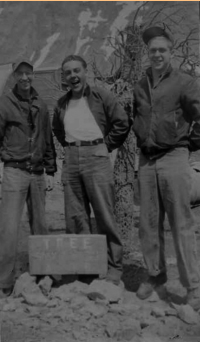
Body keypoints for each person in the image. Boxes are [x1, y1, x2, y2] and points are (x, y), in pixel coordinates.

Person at [133, 26, 200, 309]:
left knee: (181, 223)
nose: (157, 54)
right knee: (148, 224)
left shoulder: (185, 81)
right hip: (147, 160)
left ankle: (192, 285)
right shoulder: (140, 84)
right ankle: (155, 275)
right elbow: (137, 116)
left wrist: (191, 143)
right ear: (147, 55)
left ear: (170, 53)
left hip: (174, 156)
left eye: (162, 50)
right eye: (153, 51)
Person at [52, 54, 130, 285]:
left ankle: (114, 267)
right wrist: (70, 149)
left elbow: (122, 122)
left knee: (104, 214)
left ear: (85, 72)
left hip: (96, 155)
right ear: (64, 77)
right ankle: (85, 270)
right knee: (76, 217)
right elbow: (57, 129)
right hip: (71, 158)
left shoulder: (101, 95)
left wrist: (106, 145)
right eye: (68, 72)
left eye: (77, 71)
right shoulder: (61, 103)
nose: (73, 76)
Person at [0, 58, 57, 297]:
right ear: (14, 76)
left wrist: (51, 169)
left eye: (29, 73)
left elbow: (47, 137)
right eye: (20, 73)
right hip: (14, 171)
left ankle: (43, 274)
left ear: (33, 75)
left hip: (37, 174)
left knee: (41, 225)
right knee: (9, 228)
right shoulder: (4, 104)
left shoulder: (41, 104)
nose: (25, 78)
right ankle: (4, 281)